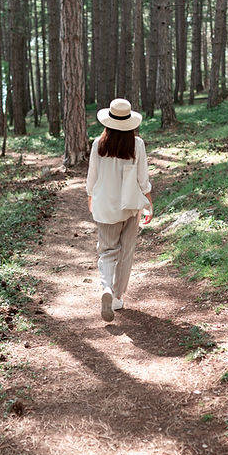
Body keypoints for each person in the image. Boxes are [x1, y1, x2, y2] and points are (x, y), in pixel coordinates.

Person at [86, 98, 153, 322]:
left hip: (105, 206)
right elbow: (143, 180)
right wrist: (149, 204)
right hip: (130, 206)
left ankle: (106, 287)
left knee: (107, 251)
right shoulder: (138, 145)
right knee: (126, 253)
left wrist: (90, 197)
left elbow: (92, 177)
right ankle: (116, 297)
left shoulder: (98, 144)